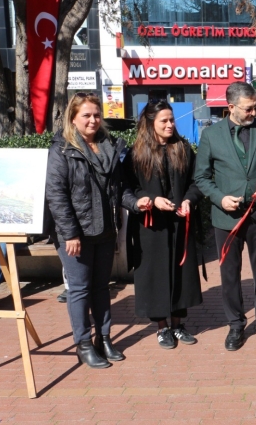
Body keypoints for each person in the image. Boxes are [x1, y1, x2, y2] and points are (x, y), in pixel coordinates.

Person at [194, 82, 256, 351]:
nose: (254, 112)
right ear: (231, 107)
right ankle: (235, 325)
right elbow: (201, 176)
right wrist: (219, 197)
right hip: (227, 216)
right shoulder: (212, 135)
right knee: (230, 274)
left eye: (255, 106)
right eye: (248, 108)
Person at [45, 92, 127, 368]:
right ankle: (82, 343)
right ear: (73, 118)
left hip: (104, 229)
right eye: (86, 115)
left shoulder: (107, 144)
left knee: (101, 287)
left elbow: (115, 189)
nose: (93, 120)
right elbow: (56, 195)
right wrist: (70, 234)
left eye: (96, 115)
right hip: (75, 234)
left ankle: (103, 338)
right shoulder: (62, 149)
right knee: (79, 289)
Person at [122, 101, 204, 349]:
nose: (170, 125)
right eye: (164, 121)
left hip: (180, 223)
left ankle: (178, 324)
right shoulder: (136, 153)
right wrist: (147, 200)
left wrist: (189, 200)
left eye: (172, 120)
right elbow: (128, 188)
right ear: (150, 123)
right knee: (155, 276)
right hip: (151, 226)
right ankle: (161, 328)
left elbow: (197, 181)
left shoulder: (183, 148)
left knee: (181, 273)